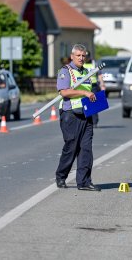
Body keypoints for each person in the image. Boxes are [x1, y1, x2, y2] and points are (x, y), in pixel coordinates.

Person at [55, 44, 101, 191]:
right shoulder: (65, 71)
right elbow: (64, 92)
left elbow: (90, 92)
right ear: (72, 56)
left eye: (83, 56)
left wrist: (96, 99)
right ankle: (61, 176)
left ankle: (84, 181)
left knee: (86, 149)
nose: (81, 58)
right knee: (71, 147)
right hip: (70, 114)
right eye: (79, 55)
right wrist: (84, 93)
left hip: (86, 114)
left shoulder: (87, 72)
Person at [83, 51, 105, 128]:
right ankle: (87, 121)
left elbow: (99, 74)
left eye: (86, 56)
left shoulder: (94, 63)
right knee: (86, 104)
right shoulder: (81, 63)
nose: (85, 58)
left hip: (93, 86)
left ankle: (94, 122)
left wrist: (102, 84)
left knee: (93, 104)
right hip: (84, 86)